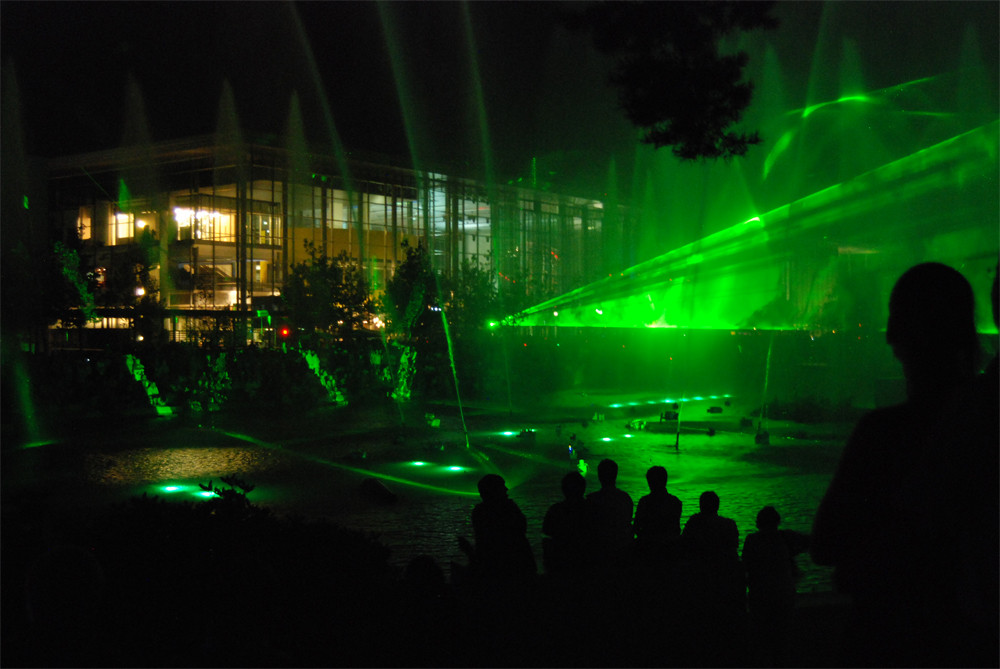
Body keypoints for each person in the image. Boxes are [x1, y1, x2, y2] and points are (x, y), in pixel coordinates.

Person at [811, 262, 988, 667]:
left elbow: (825, 543)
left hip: (887, 639)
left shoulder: (883, 435)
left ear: (898, 338)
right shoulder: (986, 424)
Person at [742, 506, 809, 667]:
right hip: (784, 595)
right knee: (783, 641)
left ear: (758, 522)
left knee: (762, 642)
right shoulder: (786, 537)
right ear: (777, 521)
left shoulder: (752, 540)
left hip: (760, 596)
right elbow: (811, 542)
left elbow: (745, 567)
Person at [466, 474, 537, 585]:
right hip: (518, 565)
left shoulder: (479, 512)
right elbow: (521, 529)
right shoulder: (509, 508)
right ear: (494, 490)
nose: (506, 489)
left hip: (492, 569)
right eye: (502, 486)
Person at [585, 459, 634, 569]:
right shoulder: (625, 498)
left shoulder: (592, 500)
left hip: (598, 552)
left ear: (599, 475)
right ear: (616, 475)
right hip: (622, 550)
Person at [542, 471, 592, 576]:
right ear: (583, 488)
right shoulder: (592, 510)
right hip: (588, 566)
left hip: (561, 566)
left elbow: (547, 539)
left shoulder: (555, 511)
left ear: (563, 489)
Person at [633, 465, 682, 563]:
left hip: (647, 549)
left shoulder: (644, 502)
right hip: (670, 549)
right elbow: (676, 529)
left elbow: (636, 527)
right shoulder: (675, 502)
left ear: (650, 482)